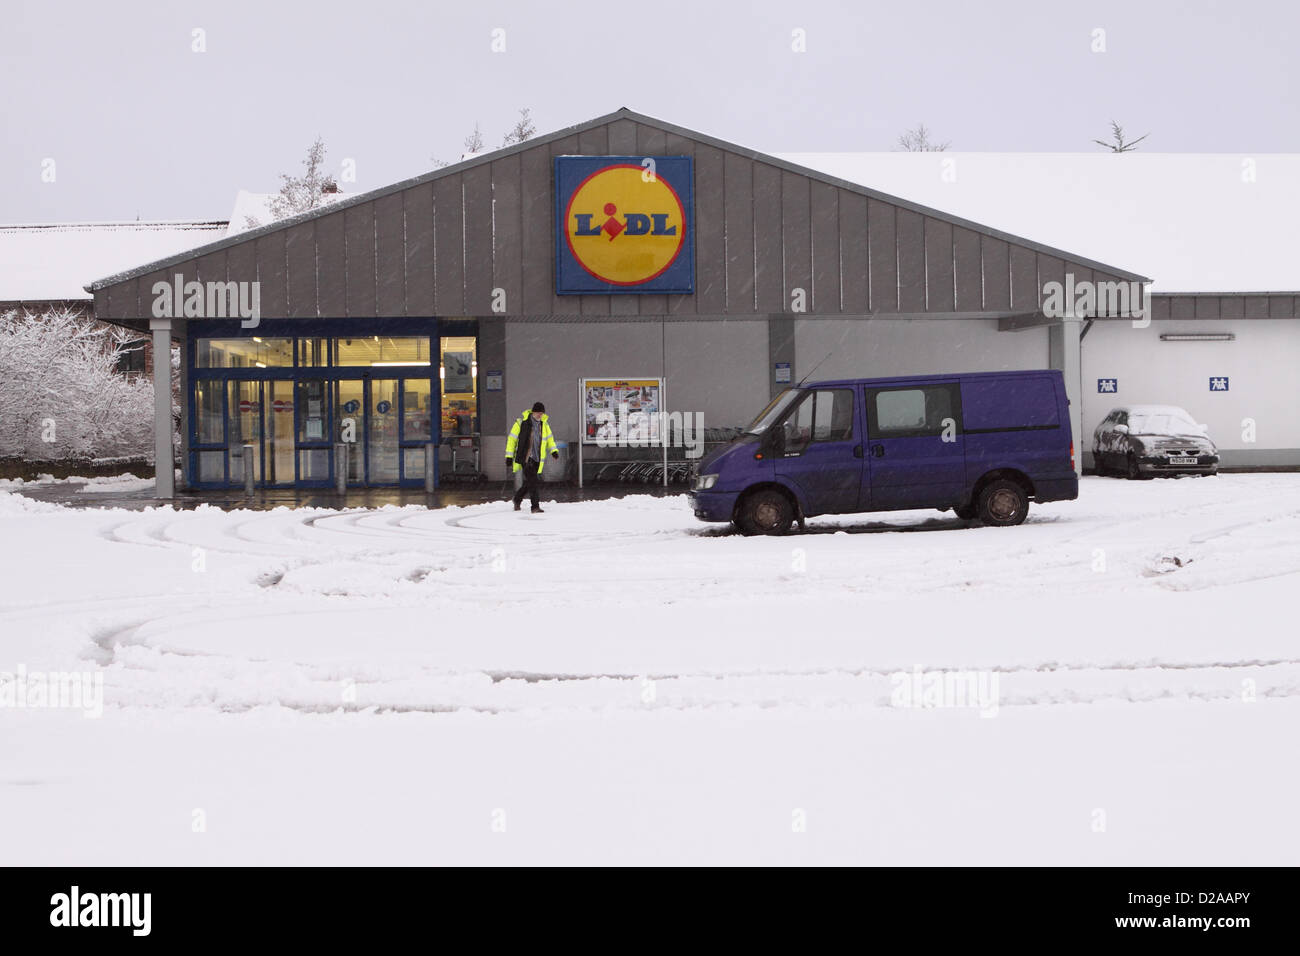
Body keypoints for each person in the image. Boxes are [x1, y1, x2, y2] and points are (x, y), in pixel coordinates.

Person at [505, 402, 558, 513]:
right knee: (533, 482)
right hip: (526, 458)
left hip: (537, 458)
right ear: (533, 412)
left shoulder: (544, 425)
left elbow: (550, 439)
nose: (540, 415)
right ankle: (535, 507)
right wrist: (509, 456)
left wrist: (554, 451)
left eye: (542, 413)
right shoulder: (521, 423)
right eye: (538, 412)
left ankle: (517, 498)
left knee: (530, 482)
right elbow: (512, 440)